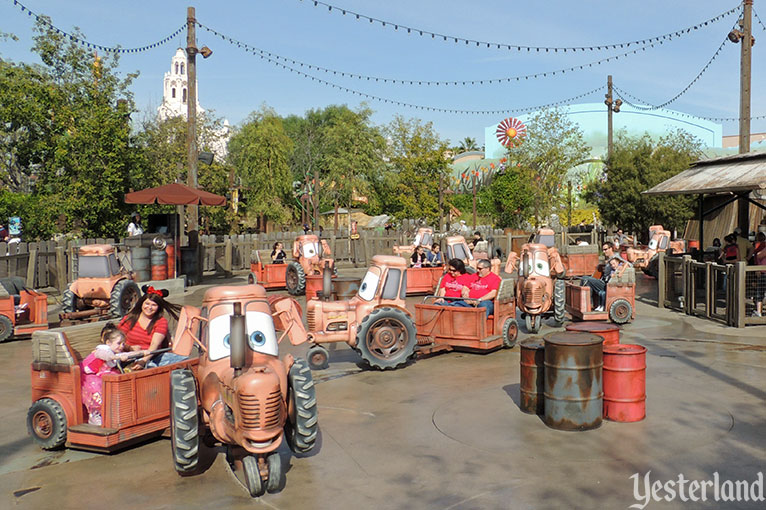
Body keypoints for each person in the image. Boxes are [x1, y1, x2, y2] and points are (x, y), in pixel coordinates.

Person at [81, 323, 149, 425]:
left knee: (120, 381)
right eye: (119, 343)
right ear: (108, 342)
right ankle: (94, 415)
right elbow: (105, 356)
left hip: (104, 374)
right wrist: (116, 358)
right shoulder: (102, 350)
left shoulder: (115, 352)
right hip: (91, 376)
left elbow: (126, 355)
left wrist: (144, 353)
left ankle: (117, 412)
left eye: (123, 344)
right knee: (97, 390)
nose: (121, 346)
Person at [119, 286, 183, 368]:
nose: (149, 308)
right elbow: (117, 339)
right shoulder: (129, 319)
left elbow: (154, 345)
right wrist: (130, 348)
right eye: (147, 304)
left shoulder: (161, 322)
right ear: (141, 303)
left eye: (154, 305)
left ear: (158, 307)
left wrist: (143, 361)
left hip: (151, 357)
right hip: (128, 356)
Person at [750, 232, 766, 317]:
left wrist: (757, 267)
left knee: (760, 292)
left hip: (762, 271)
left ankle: (759, 312)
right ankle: (759, 311)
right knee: (760, 292)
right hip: (762, 270)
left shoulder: (757, 245)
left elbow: (758, 256)